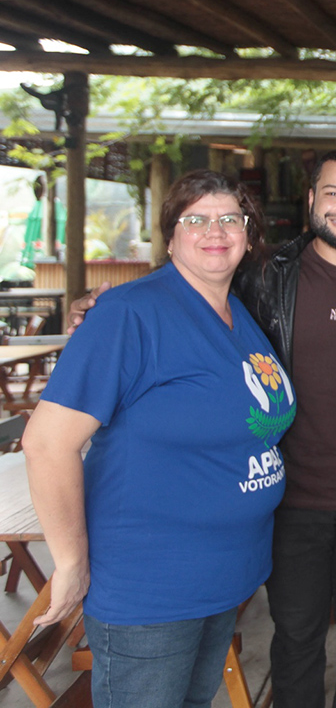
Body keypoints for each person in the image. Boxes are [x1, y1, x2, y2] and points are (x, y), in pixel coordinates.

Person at [68, 149, 336, 708]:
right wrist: (104, 302)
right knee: (297, 636)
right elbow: (192, 280)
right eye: (332, 192)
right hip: (286, 502)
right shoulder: (266, 277)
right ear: (310, 201)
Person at [23, 169, 296, 708]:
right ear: (170, 236)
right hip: (152, 585)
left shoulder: (236, 310)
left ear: (248, 232)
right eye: (195, 218)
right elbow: (47, 444)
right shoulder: (129, 315)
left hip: (223, 576)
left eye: (229, 218)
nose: (213, 230)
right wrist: (72, 561)